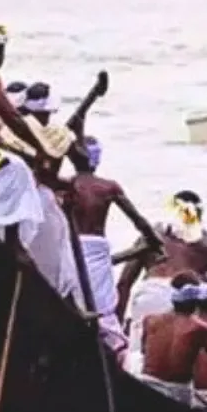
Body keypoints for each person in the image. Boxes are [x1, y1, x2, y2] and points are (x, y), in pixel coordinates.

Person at [0, 24, 81, 306]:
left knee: (18, 163)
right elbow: (10, 116)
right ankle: (15, 243)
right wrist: (40, 150)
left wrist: (25, 151)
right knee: (18, 172)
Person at [117, 189, 207, 364]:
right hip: (186, 299)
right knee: (181, 359)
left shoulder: (152, 235)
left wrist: (118, 324)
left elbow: (124, 283)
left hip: (149, 295)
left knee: (137, 356)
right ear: (199, 214)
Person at [65, 137, 163, 356]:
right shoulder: (107, 187)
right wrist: (155, 242)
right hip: (95, 250)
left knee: (78, 300)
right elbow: (138, 221)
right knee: (102, 309)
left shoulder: (67, 185)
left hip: (73, 248)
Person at [139, 274, 207, 412]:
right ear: (197, 299)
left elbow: (144, 351)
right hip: (177, 393)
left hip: (146, 386)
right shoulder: (199, 328)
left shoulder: (150, 320)